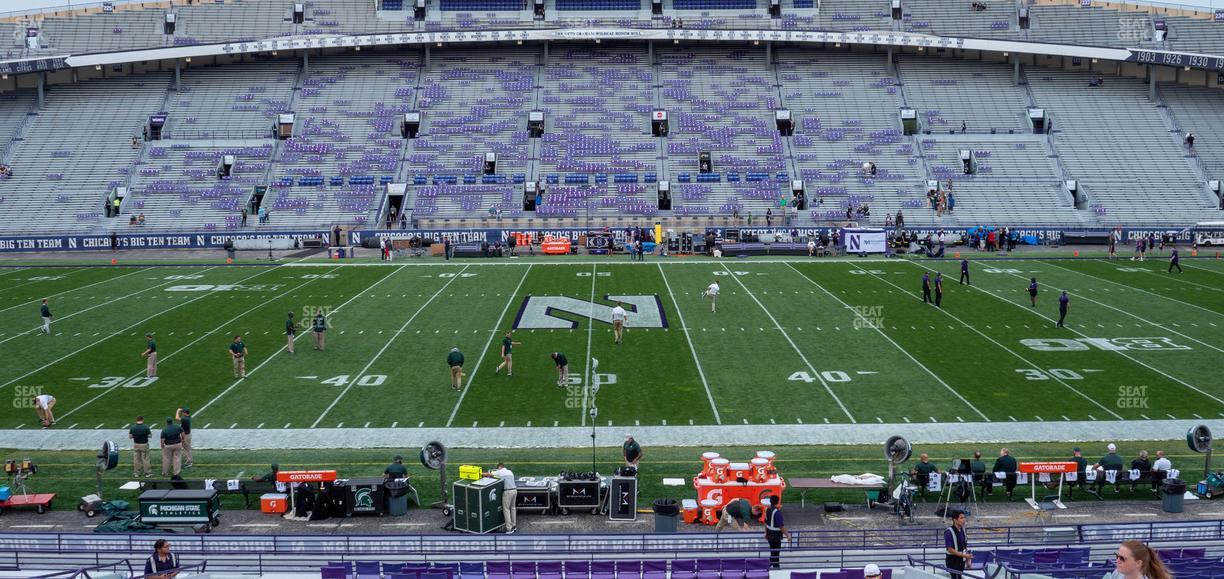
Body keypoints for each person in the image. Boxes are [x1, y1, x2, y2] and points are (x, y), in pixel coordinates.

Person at [1107, 539, 1172, 579]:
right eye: (1117, 556)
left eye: (1122, 558)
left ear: (1138, 563)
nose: (1117, 561)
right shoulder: (1118, 573)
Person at [485, 462, 518, 533]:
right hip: (514, 490)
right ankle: (514, 526)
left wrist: (481, 473)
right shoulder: (510, 471)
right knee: (513, 508)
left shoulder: (500, 471)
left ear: (499, 467)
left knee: (506, 510)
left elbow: (489, 474)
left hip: (508, 492)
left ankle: (509, 529)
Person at [763, 494, 792, 569]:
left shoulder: (767, 509)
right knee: (775, 553)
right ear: (778, 502)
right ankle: (773, 567)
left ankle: (772, 566)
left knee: (773, 552)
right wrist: (788, 535)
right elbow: (781, 526)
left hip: (769, 534)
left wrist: (766, 533)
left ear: (770, 501)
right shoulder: (777, 512)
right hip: (776, 536)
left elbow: (765, 523)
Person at [944, 510, 972, 579]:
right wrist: (965, 555)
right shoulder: (949, 532)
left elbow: (964, 546)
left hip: (961, 561)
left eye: (964, 518)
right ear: (955, 520)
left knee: (958, 576)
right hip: (953, 561)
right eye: (961, 518)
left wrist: (967, 560)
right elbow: (950, 549)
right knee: (956, 577)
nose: (964, 520)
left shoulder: (963, 530)